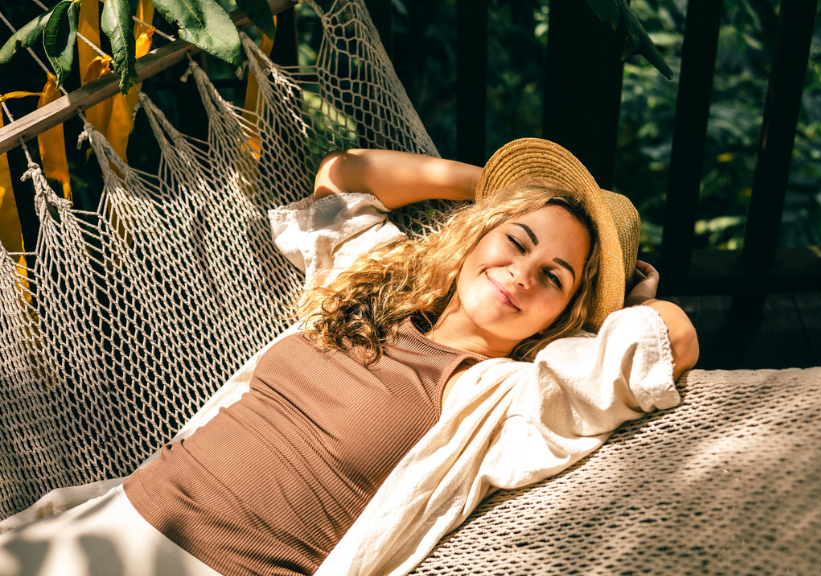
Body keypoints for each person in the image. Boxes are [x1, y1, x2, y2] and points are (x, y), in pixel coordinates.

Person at [0, 138, 698, 576]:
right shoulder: (374, 281)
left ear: (566, 314)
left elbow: (670, 340)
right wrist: (490, 184)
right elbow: (344, 174)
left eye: (555, 277)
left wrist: (626, 304)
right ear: (479, 237)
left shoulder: (506, 396)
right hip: (108, 524)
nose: (524, 272)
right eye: (516, 241)